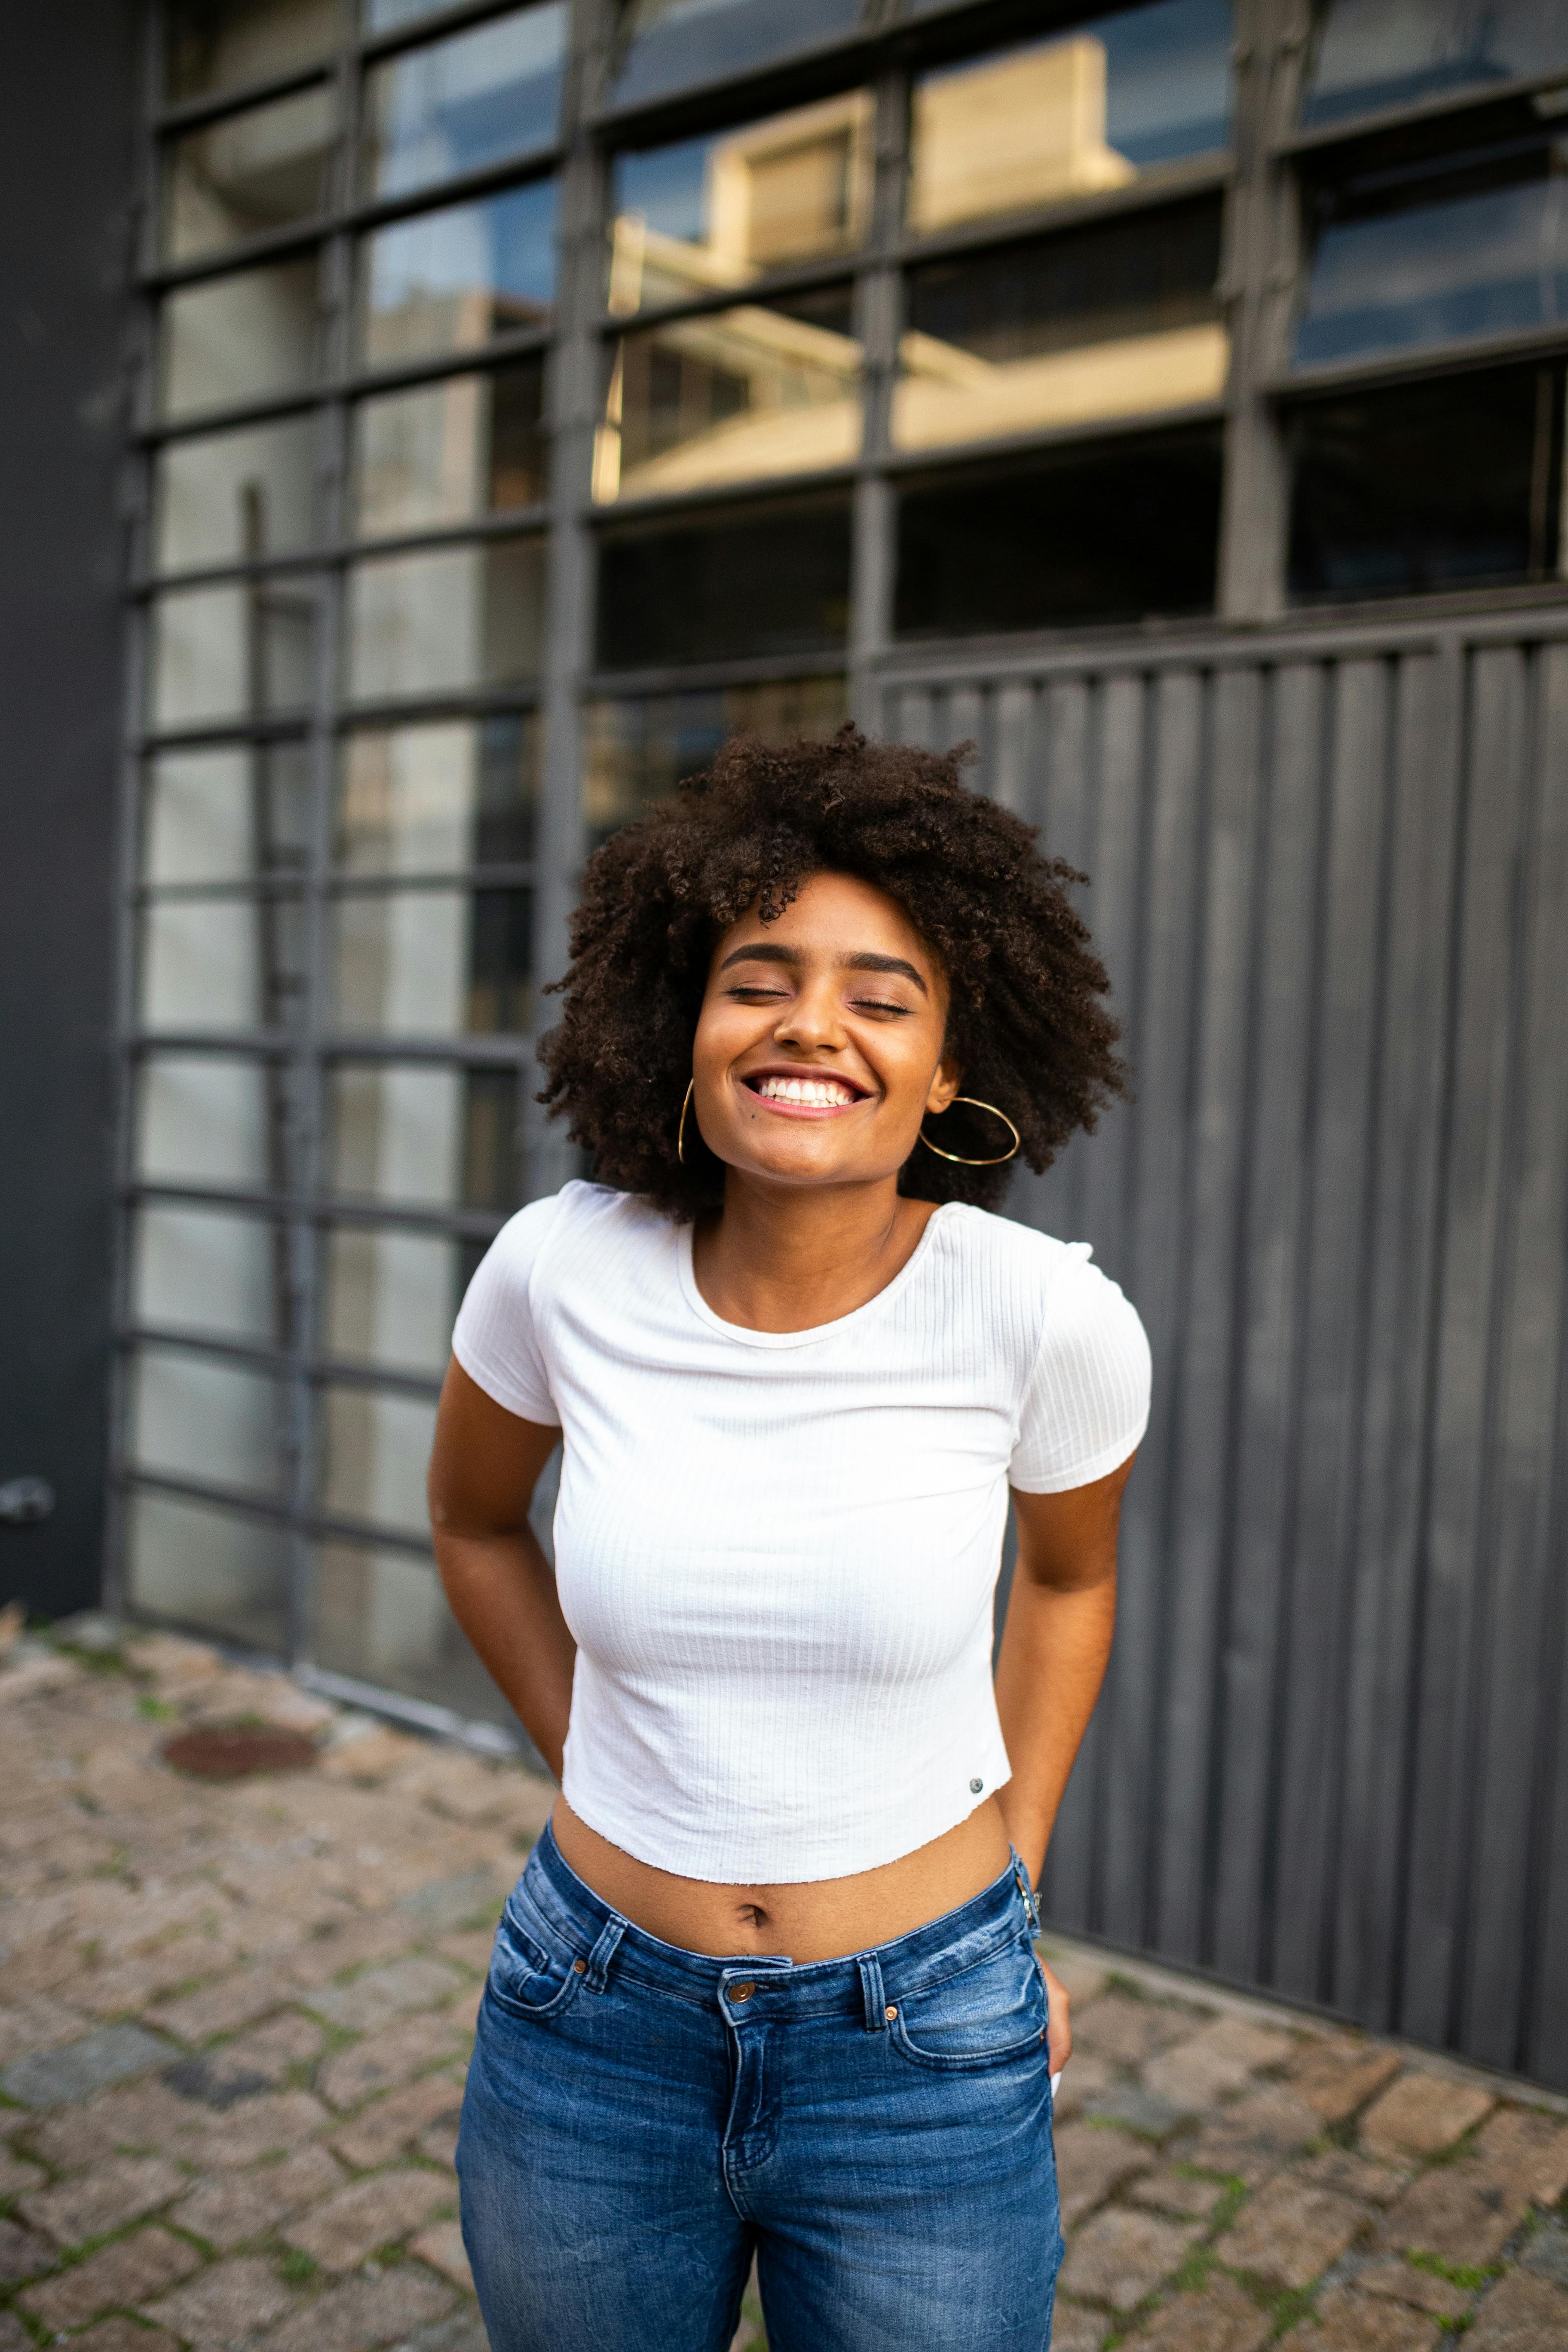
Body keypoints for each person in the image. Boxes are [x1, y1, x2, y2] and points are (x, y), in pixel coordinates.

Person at [429, 728, 1150, 2352]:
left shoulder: (1043, 1320)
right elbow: (475, 1525)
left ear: (954, 1066)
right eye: (759, 978)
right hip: (590, 2027)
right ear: (683, 1023)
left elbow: (1069, 1578)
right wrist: (598, 1752)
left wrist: (1013, 1887)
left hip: (925, 2042)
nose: (811, 1024)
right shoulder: (559, 1268)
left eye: (882, 995)